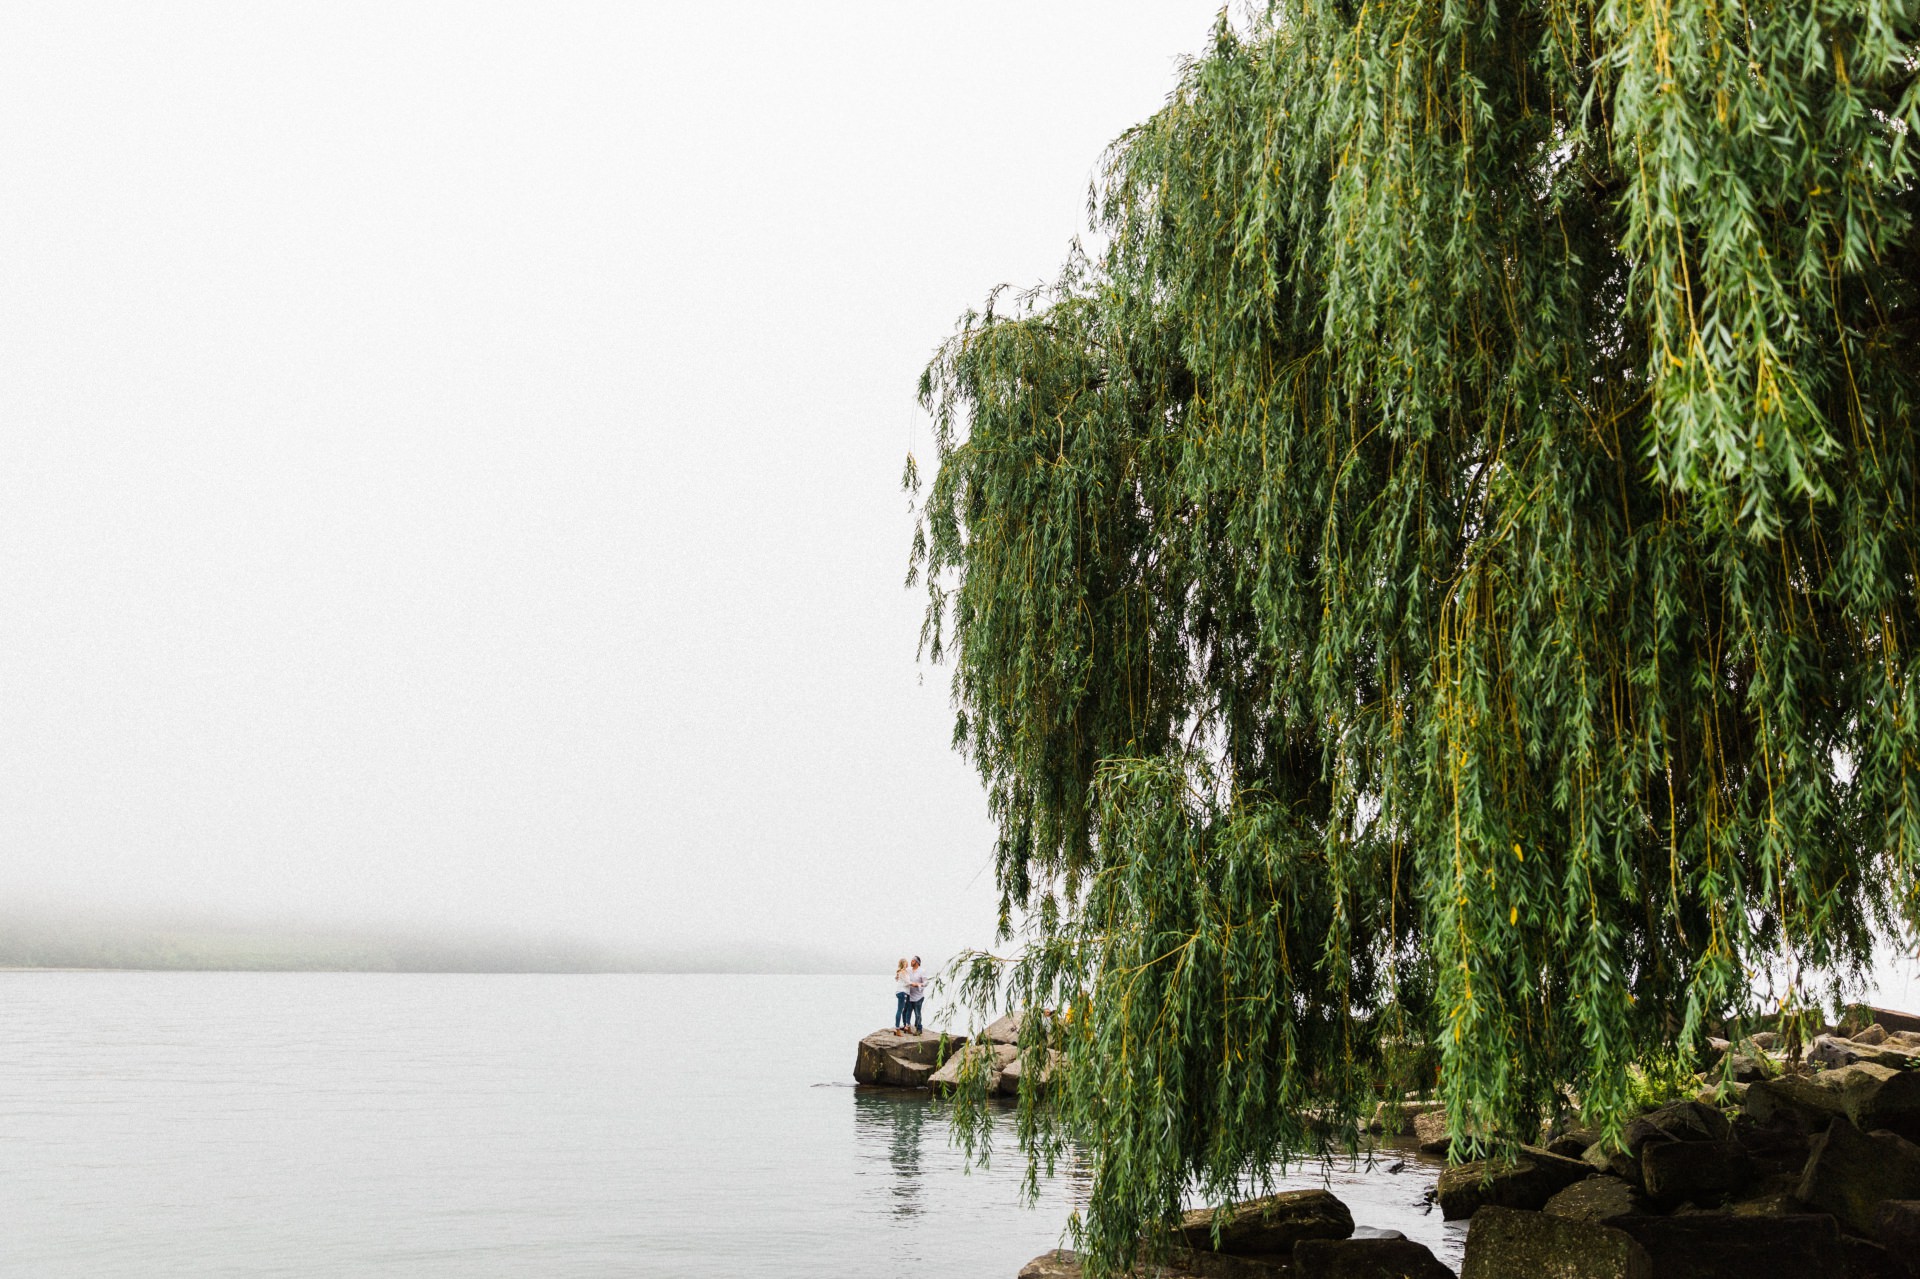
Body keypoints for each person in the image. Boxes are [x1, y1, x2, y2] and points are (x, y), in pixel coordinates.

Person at [903, 956, 927, 1034]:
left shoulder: (922, 971)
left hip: (918, 996)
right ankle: (907, 1026)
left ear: (917, 962)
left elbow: (926, 983)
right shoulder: (909, 970)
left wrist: (917, 985)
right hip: (909, 995)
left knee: (917, 1013)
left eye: (912, 961)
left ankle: (919, 1028)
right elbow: (902, 971)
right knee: (907, 1011)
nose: (911, 962)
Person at [893, 958, 912, 1034]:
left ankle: (906, 1026)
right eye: (906, 963)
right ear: (904, 963)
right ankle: (897, 1028)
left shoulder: (904, 972)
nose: (908, 964)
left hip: (904, 992)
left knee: (906, 1009)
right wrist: (917, 984)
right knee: (900, 1010)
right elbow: (907, 982)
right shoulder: (902, 972)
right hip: (902, 992)